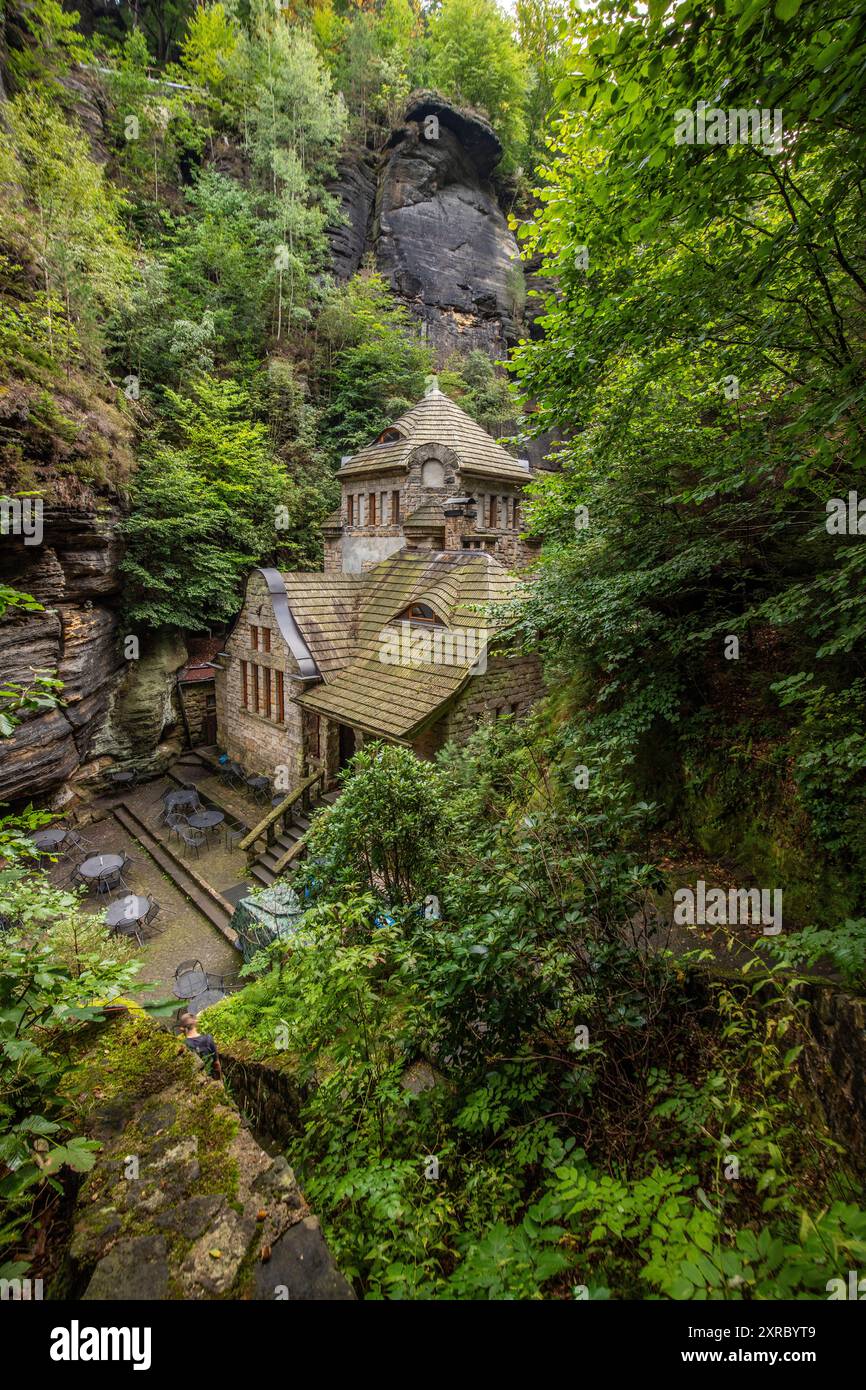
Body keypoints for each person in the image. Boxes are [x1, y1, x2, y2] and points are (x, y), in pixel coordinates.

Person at [179, 1012, 222, 1079]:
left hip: (195, 1079)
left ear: (181, 1029)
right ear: (196, 1023)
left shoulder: (183, 1044)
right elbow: (216, 1063)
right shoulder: (208, 1039)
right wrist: (220, 1078)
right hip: (211, 1078)